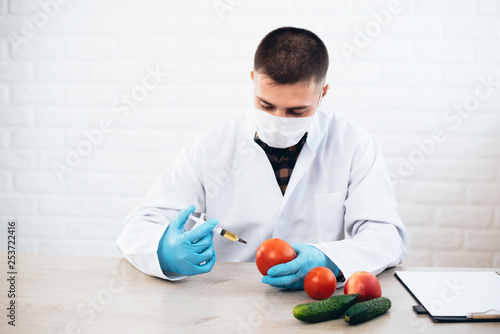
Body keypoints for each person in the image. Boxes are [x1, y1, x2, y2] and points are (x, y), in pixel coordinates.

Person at [116, 26, 409, 289]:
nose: (279, 120)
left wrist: (329, 258)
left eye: (297, 111)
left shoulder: (354, 145)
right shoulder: (210, 147)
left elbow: (386, 236)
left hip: (311, 294)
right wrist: (162, 251)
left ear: (323, 93)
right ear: (254, 80)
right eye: (266, 104)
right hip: (226, 299)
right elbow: (137, 228)